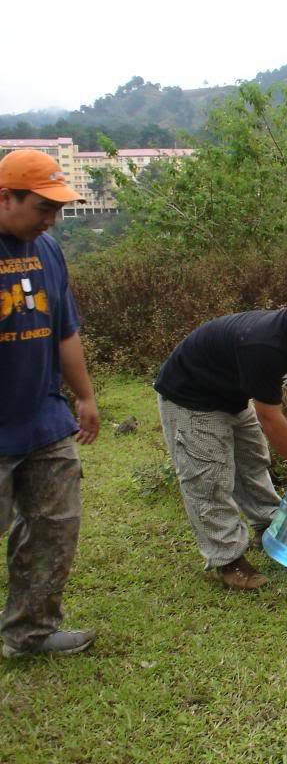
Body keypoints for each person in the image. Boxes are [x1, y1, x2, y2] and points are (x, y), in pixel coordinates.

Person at [154, 273, 287, 590]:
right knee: (209, 477)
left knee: (253, 460)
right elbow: (269, 415)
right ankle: (228, 559)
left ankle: (267, 524)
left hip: (233, 394)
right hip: (191, 396)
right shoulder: (264, 343)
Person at [0, 149, 99, 658]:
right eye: (42, 207)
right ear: (6, 197)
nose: (51, 219)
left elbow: (65, 331)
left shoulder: (49, 251)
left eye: (57, 208)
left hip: (43, 418)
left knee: (54, 528)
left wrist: (83, 395)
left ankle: (30, 633)